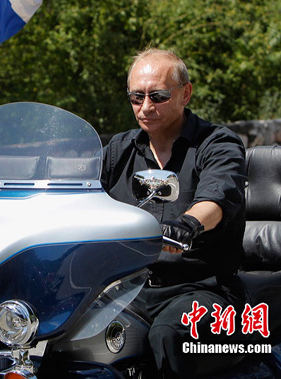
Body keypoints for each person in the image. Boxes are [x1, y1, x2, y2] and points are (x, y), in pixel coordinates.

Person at [100, 48, 247, 378]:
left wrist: (188, 224)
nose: (146, 107)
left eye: (159, 96)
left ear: (185, 93)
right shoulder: (118, 151)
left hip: (201, 289)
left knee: (169, 335)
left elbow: (217, 198)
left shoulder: (217, 143)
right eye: (137, 96)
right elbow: (87, 202)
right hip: (132, 288)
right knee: (76, 331)